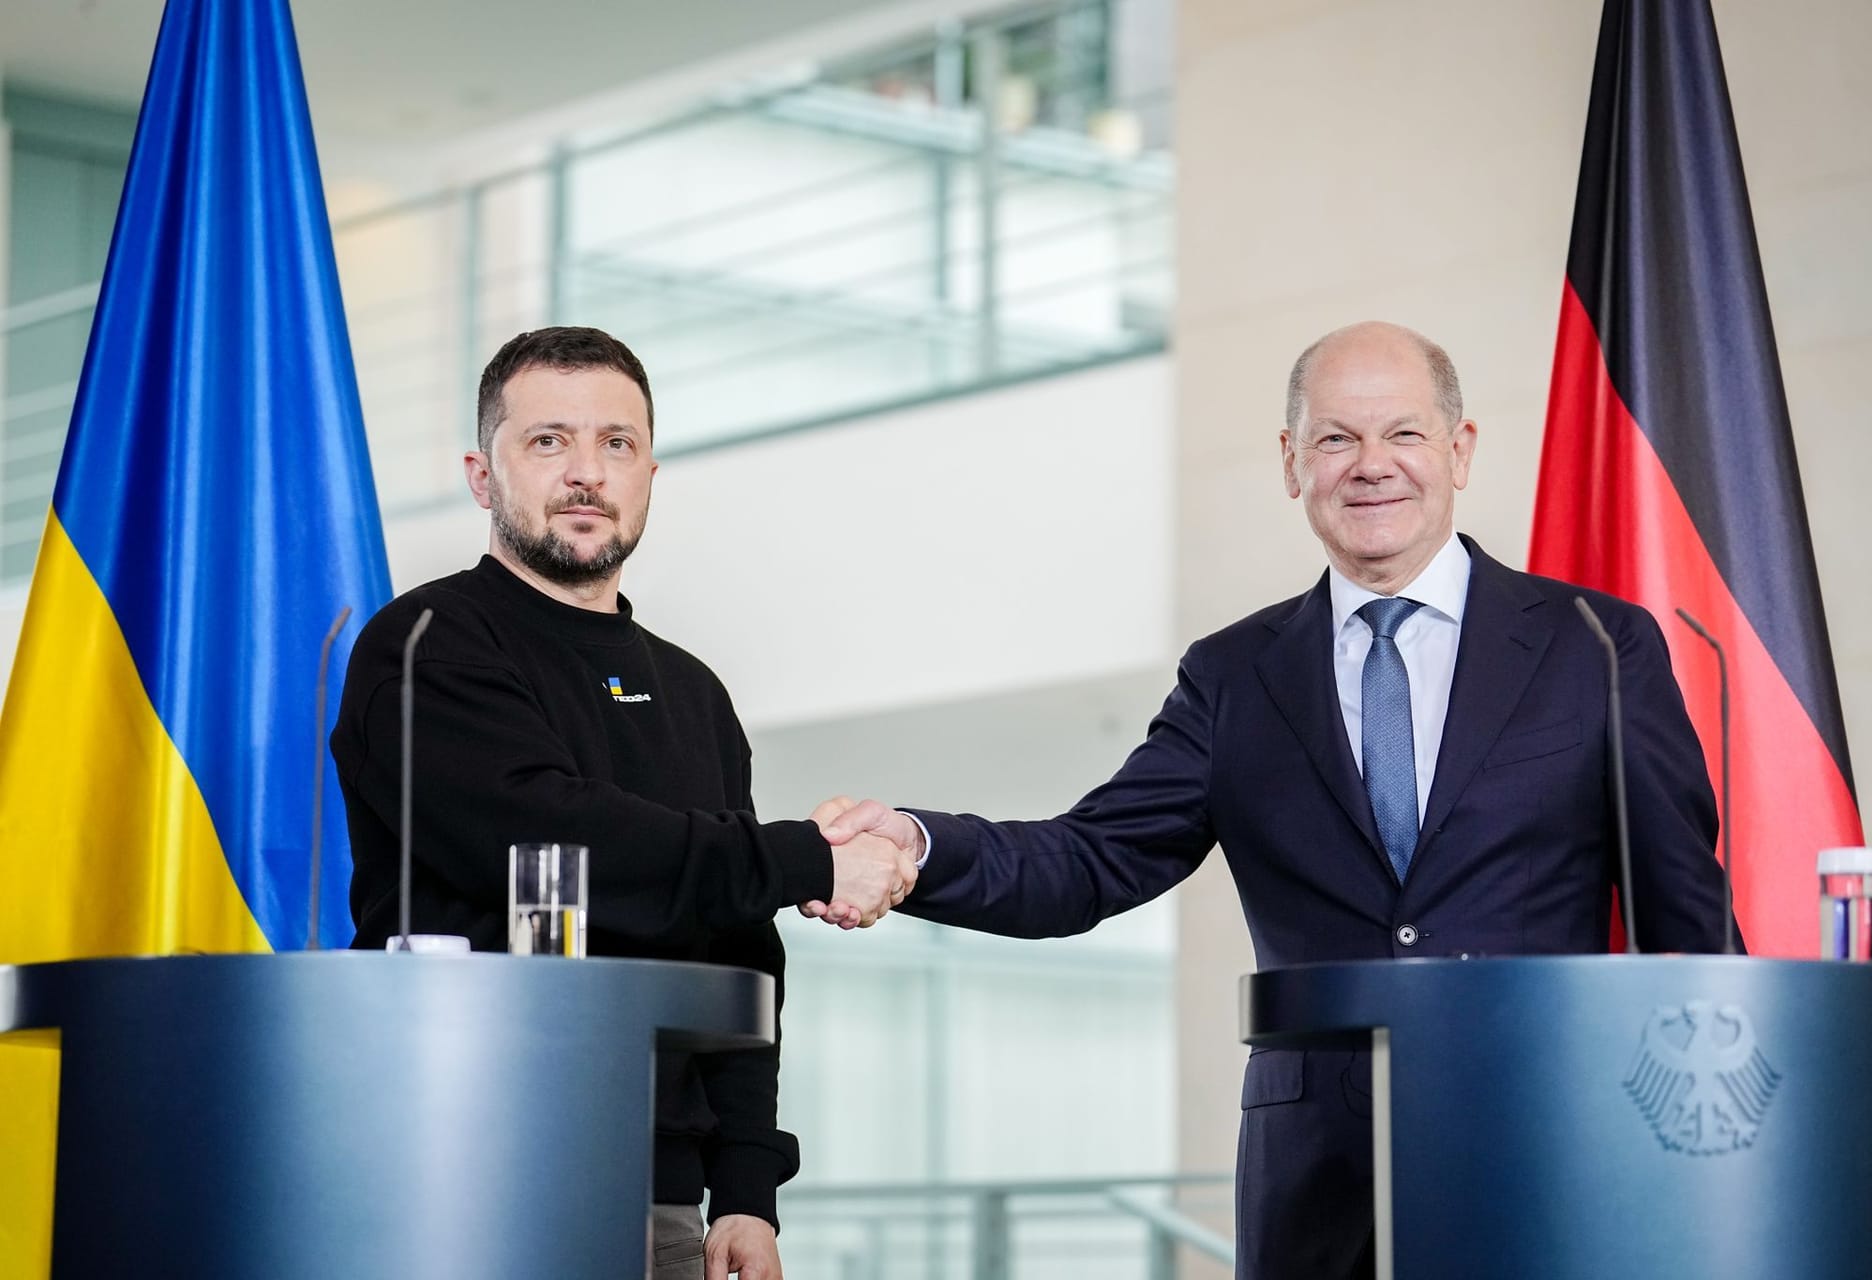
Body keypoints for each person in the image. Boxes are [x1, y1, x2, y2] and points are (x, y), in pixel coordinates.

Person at [808, 321, 1739, 1277]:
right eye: (1336, 438)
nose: (1371, 465)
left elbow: (1688, 915)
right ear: (1292, 464)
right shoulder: (1233, 674)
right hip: (1316, 1179)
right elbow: (1090, 860)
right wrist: (917, 846)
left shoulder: (1595, 645)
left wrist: (1724, 1154)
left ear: (1459, 451)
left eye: (1404, 435)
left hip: (1552, 1143)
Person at [332, 326, 914, 1280]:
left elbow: (740, 955)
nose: (586, 473)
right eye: (548, 441)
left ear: (649, 472)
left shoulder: (695, 693)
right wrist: (807, 859)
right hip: (456, 1173)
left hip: (664, 1200)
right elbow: (546, 838)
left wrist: (746, 1192)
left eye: (618, 444)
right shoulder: (425, 644)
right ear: (484, 475)